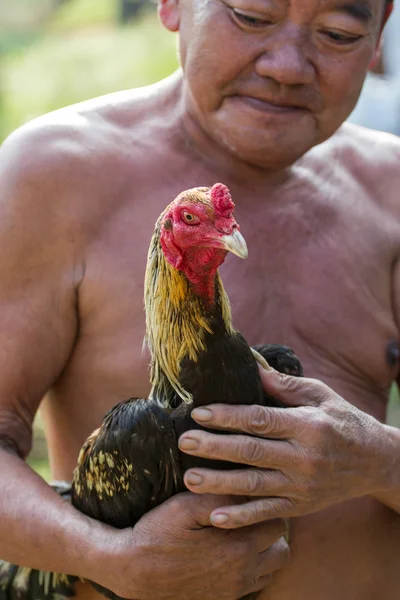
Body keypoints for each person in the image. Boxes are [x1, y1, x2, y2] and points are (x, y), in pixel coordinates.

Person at [0, 0, 399, 597]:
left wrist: (382, 461)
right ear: (172, 4)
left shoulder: (393, 190)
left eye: (337, 33)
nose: (288, 65)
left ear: (380, 31)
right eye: (251, 16)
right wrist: (112, 557)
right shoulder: (51, 172)